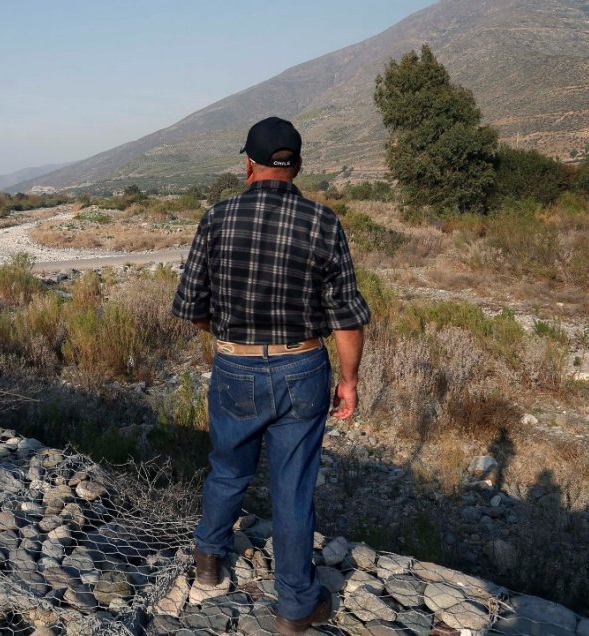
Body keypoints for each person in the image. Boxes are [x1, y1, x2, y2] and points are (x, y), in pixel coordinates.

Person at [172, 116, 370, 634]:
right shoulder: (323, 223)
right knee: (292, 488)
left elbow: (191, 304)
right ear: (298, 165)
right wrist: (348, 381)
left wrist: (225, 337)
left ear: (248, 166)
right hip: (302, 366)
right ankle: (295, 607)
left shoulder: (216, 220)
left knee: (228, 468)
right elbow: (347, 317)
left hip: (234, 365)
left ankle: (209, 560)